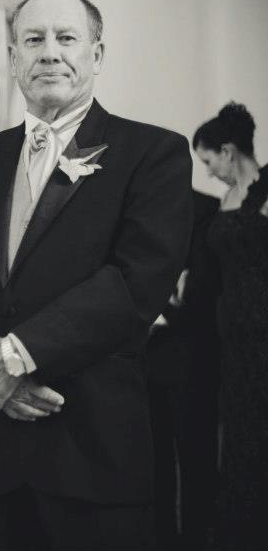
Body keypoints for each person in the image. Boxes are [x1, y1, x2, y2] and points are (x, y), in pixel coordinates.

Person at [0, 0, 193, 550]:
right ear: (13, 56)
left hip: (93, 451)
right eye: (34, 39)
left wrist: (15, 355)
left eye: (66, 38)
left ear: (97, 53)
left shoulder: (153, 153)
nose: (49, 52)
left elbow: (137, 282)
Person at [193, 102, 268, 551]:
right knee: (238, 430)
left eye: (208, 161)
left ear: (227, 150)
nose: (208, 172)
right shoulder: (225, 200)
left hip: (263, 333)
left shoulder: (267, 188)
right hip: (231, 334)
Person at [147, 188, 221, 551]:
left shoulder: (204, 209)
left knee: (196, 454)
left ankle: (197, 536)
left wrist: (159, 310)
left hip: (189, 354)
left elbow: (201, 289)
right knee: (153, 456)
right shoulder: (129, 206)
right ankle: (162, 536)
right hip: (143, 356)